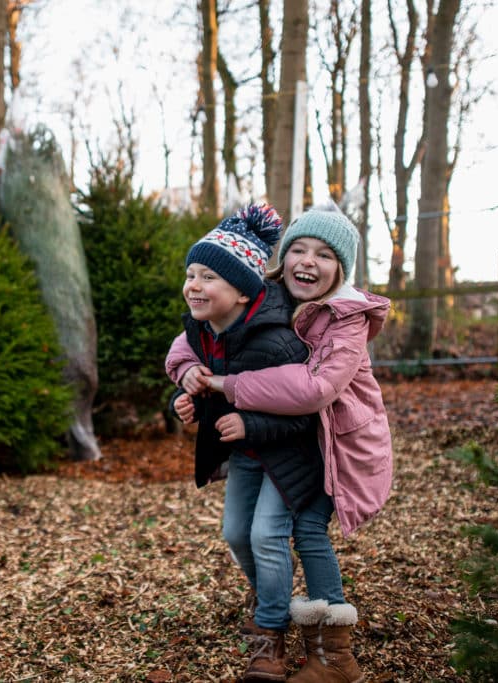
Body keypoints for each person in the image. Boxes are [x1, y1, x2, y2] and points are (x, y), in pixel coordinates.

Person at [166, 206, 392, 683]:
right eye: (297, 249)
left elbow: (313, 391)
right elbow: (197, 334)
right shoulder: (263, 294)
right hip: (282, 442)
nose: (307, 261)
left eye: (324, 255)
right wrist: (187, 373)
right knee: (249, 534)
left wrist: (225, 387)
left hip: (335, 448)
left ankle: (331, 656)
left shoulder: (346, 319)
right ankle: (277, 611)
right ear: (282, 257)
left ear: (343, 268)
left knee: (300, 532)